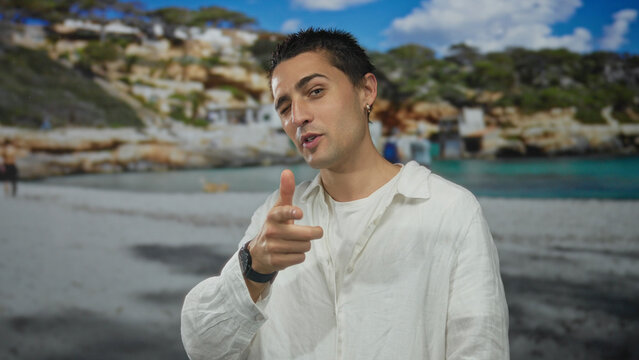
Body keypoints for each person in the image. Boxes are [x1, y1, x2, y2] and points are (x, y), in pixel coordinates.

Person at [181, 28, 509, 360]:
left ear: (366, 90)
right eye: (284, 107)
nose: (298, 117)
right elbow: (204, 348)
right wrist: (255, 267)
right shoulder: (276, 219)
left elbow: (481, 346)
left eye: (316, 91)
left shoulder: (449, 209)